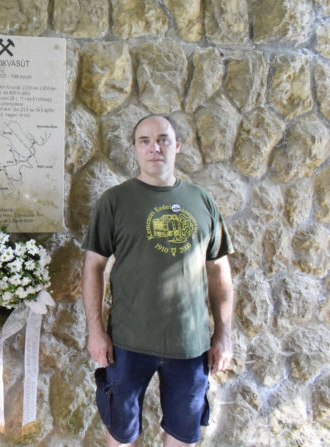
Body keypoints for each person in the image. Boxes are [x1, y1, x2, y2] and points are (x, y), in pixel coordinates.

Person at [82, 115, 235, 447]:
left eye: (163, 139)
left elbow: (219, 272)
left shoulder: (202, 201)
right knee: (121, 435)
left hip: (190, 345)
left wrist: (223, 334)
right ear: (136, 149)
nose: (155, 147)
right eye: (145, 141)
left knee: (183, 436)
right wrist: (96, 330)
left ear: (177, 146)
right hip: (127, 343)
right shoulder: (114, 201)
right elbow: (93, 267)